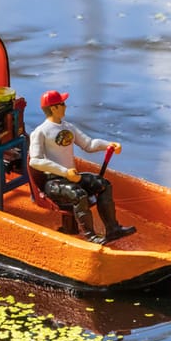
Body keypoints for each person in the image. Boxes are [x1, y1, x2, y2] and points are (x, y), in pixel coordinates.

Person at [28, 90, 136, 244]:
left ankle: (113, 228)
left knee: (103, 184)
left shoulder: (68, 127)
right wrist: (64, 172)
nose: (65, 106)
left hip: (72, 177)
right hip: (53, 182)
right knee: (79, 194)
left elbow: (89, 144)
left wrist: (108, 145)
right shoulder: (40, 132)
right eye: (62, 104)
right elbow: (35, 161)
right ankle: (91, 236)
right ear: (53, 108)